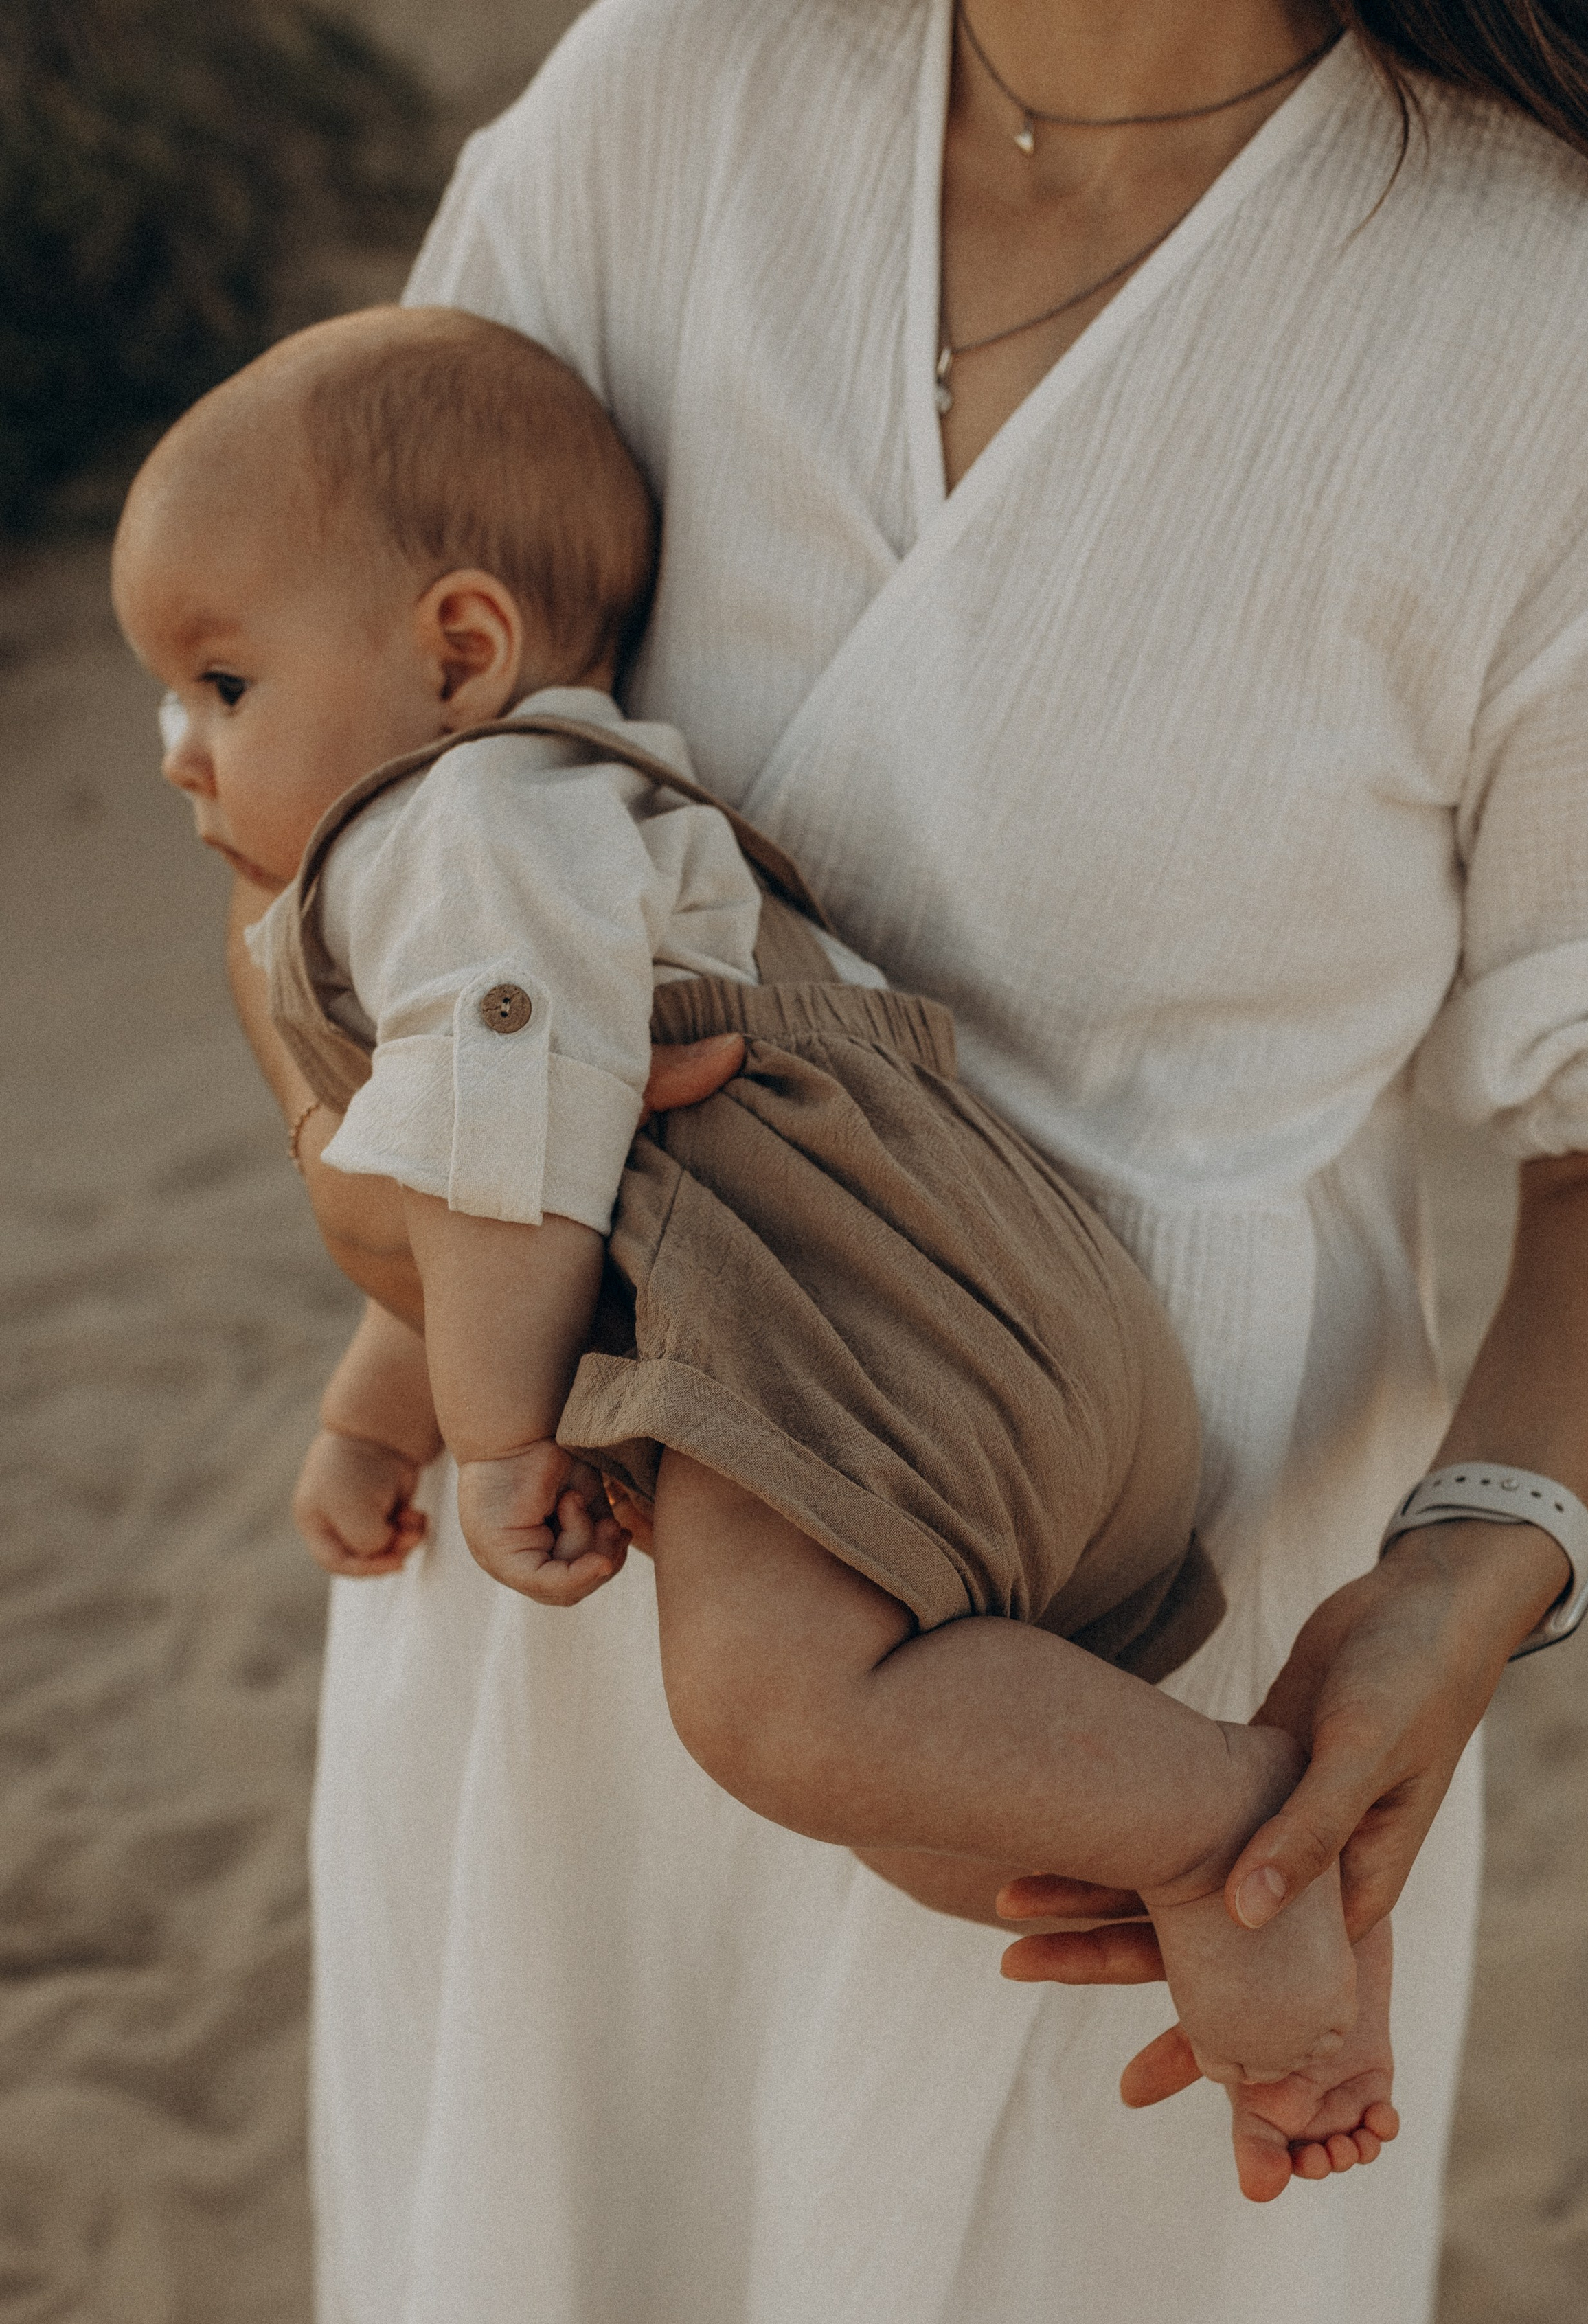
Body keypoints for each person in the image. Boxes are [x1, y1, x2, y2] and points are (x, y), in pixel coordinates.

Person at [213, 2, 1588, 2324]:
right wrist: (412, 1294)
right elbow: (346, 724)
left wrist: (1470, 1578)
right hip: (585, 1570)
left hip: (1152, 1692)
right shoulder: (662, 101)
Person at [111, 299, 1391, 2105]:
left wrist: (487, 1442)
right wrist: (366, 1412)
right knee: (937, 1819)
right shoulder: (554, 852)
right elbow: (498, 1190)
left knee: (769, 1709)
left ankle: (1239, 1830)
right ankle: (1248, 1948)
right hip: (983, 1347)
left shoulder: (452, 827)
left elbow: (508, 1171)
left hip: (864, 1332)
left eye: (223, 684)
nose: (178, 745)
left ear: (458, 648)